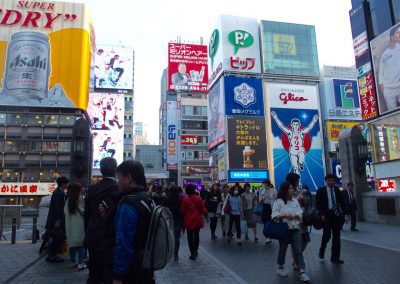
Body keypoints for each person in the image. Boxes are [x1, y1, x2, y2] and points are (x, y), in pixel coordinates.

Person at [105, 160, 154, 283]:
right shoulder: (146, 198)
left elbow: (123, 243)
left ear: (128, 178)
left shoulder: (128, 204)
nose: (118, 182)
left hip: (130, 271)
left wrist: (118, 276)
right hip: (145, 265)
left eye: (119, 177)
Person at [84, 157, 118, 283]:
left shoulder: (92, 188)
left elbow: (87, 214)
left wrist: (87, 232)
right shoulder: (118, 188)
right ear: (115, 170)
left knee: (94, 273)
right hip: (110, 238)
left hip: (93, 235)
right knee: (109, 271)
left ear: (101, 170)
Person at [272, 182, 311, 282]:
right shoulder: (278, 201)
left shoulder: (295, 201)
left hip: (295, 229)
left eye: (292, 188)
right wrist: (283, 216)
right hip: (284, 230)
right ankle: (280, 267)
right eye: (290, 188)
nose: (292, 190)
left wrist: (295, 216)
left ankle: (302, 271)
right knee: (283, 249)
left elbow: (300, 213)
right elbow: (274, 215)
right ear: (285, 189)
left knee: (298, 250)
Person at [316, 174, 349, 264]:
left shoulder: (337, 190)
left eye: (332, 180)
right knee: (327, 235)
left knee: (337, 237)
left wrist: (345, 214)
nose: (331, 182)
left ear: (334, 181)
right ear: (326, 181)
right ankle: (322, 249)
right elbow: (318, 204)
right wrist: (321, 214)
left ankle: (335, 257)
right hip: (326, 215)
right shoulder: (321, 190)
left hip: (336, 215)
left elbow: (342, 203)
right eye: (329, 180)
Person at [180, 184, 209, 260]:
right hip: (197, 219)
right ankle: (195, 250)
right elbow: (203, 209)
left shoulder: (185, 200)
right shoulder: (198, 198)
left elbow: (182, 211)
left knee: (189, 236)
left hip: (188, 220)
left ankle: (192, 251)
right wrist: (206, 216)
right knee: (196, 235)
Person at [45, 176, 69, 263]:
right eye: (66, 183)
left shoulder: (58, 192)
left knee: (55, 237)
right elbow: (58, 208)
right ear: (63, 184)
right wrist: (58, 221)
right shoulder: (59, 193)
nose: (67, 185)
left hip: (53, 219)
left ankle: (51, 254)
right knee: (59, 237)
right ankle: (53, 255)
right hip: (56, 220)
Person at [377, 25, 400, 111]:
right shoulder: (385, 54)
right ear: (392, 37)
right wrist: (381, 85)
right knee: (393, 112)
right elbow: (381, 71)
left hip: (399, 85)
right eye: (397, 33)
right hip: (388, 88)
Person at [64, 183, 86, 270]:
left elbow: (65, 213)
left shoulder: (68, 201)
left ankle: (74, 261)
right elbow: (84, 211)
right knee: (81, 245)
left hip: (70, 226)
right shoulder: (81, 199)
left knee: (72, 245)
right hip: (80, 226)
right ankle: (80, 263)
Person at [163, 186, 184, 261]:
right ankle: (176, 254)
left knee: (169, 237)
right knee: (177, 237)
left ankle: (169, 252)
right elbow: (182, 211)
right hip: (178, 220)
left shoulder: (167, 199)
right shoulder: (180, 200)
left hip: (169, 220)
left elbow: (163, 209)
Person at [259, 179, 277, 244]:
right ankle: (267, 237)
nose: (263, 185)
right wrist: (261, 200)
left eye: (264, 183)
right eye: (263, 184)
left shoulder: (273, 190)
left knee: (270, 222)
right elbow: (259, 201)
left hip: (271, 208)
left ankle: (270, 236)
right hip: (264, 207)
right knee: (265, 222)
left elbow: (276, 198)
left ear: (268, 183)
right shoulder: (262, 190)